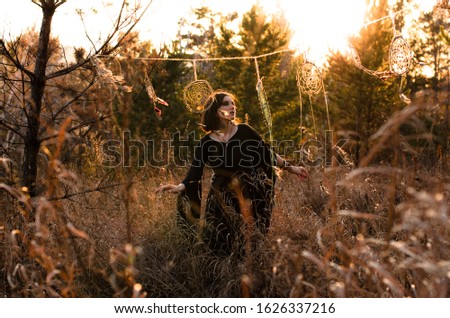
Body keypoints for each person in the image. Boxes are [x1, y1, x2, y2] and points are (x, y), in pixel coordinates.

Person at [156, 90, 308, 254]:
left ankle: (252, 271)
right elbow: (195, 171)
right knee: (222, 243)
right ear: (215, 110)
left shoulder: (244, 131)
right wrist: (181, 186)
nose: (232, 107)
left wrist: (290, 167)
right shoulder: (205, 143)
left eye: (233, 103)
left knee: (251, 241)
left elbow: (267, 153)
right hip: (222, 198)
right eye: (226, 103)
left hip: (250, 194)